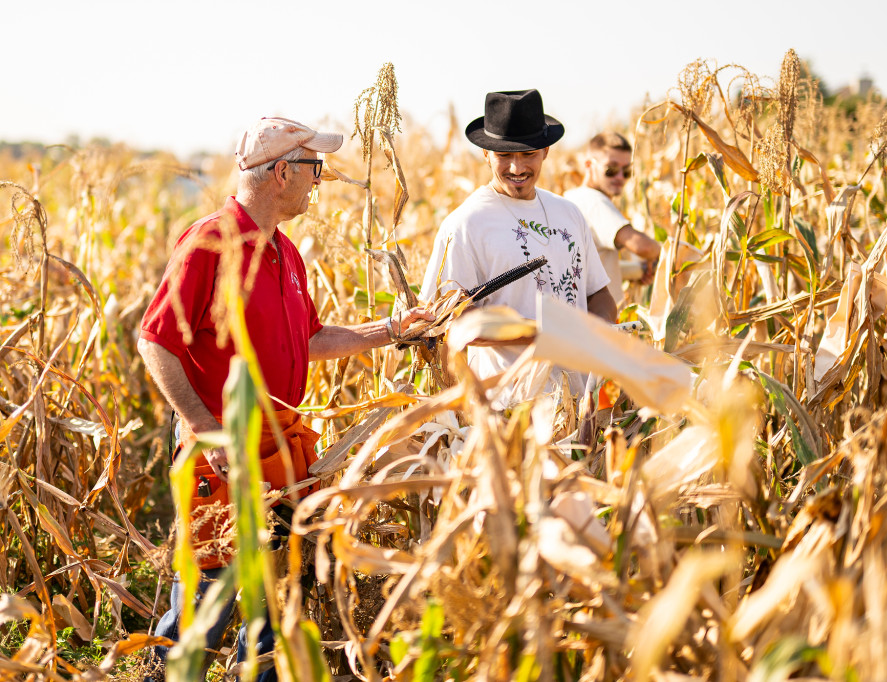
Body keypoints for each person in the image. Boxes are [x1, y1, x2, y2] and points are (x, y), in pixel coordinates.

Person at [138, 116, 432, 681]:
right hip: (225, 459)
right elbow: (156, 341)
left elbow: (313, 339)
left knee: (277, 603)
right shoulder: (209, 244)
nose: (318, 180)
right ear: (280, 173)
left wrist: (393, 329)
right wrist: (203, 426)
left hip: (284, 457)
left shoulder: (285, 253)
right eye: (312, 168)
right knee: (209, 603)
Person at [419, 90, 616, 403]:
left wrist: (601, 332)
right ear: (485, 154)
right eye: (504, 156)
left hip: (582, 405)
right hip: (510, 409)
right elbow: (452, 319)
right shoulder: (465, 226)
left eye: (528, 154)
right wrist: (541, 334)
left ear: (546, 151)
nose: (516, 167)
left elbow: (598, 293)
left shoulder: (569, 214)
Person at [564, 132, 661, 307]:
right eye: (611, 169)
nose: (619, 177)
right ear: (589, 165)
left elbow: (592, 267)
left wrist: (637, 272)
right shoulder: (594, 201)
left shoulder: (571, 198)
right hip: (601, 322)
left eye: (626, 171)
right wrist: (666, 256)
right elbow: (641, 246)